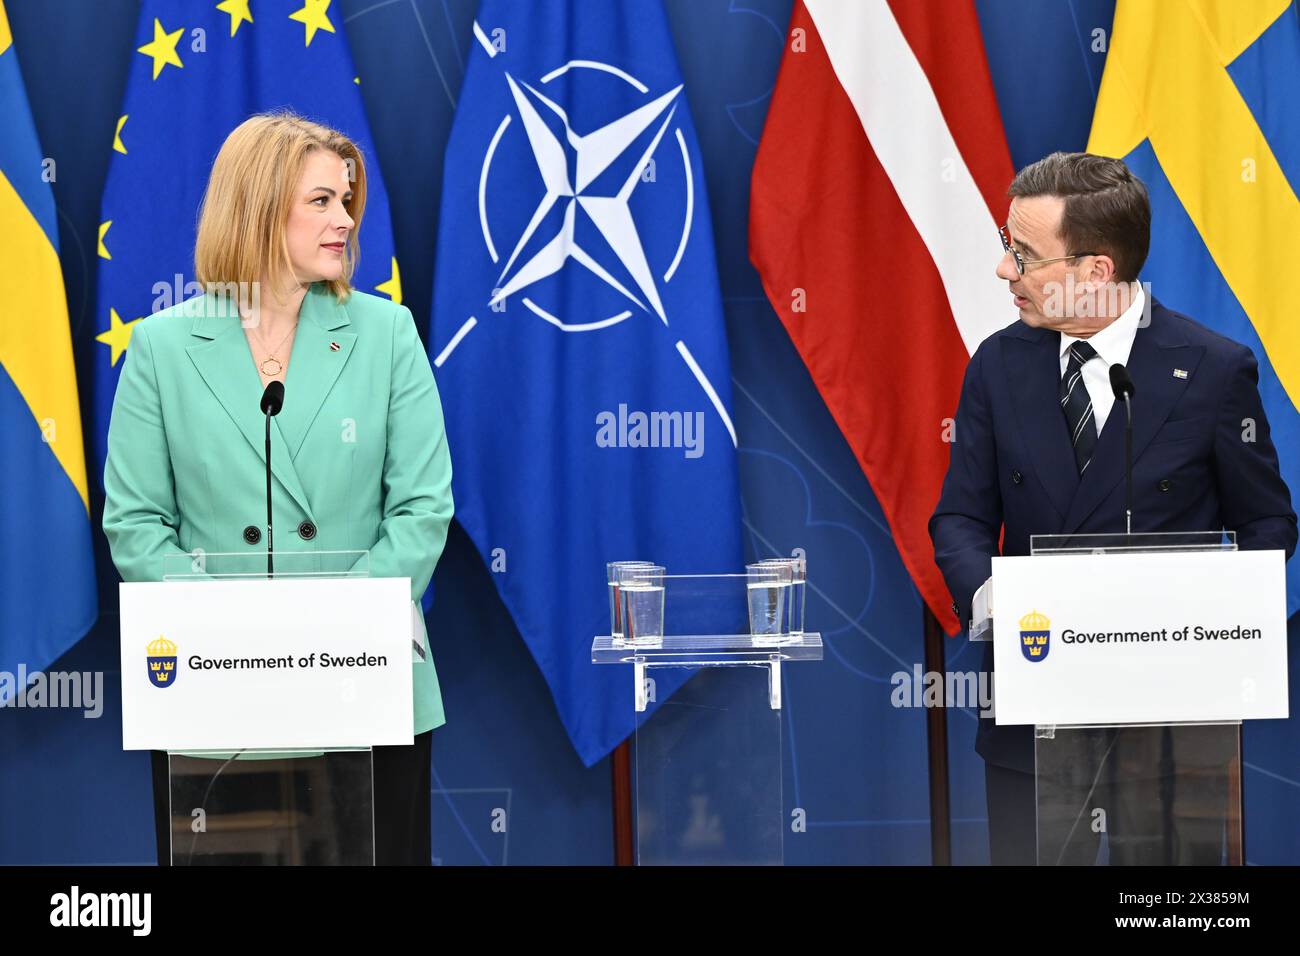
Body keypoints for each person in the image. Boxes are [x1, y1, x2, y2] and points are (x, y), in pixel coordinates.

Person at [102, 111, 454, 865]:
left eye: (347, 200)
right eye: (321, 201)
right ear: (259, 207)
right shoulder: (161, 349)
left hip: (366, 684)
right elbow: (136, 525)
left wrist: (334, 629)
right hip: (216, 690)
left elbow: (422, 509)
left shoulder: (387, 335)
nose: (345, 220)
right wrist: (243, 638)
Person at [929, 151, 1296, 865]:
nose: (1006, 272)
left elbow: (1269, 525)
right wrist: (993, 593)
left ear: (1095, 272)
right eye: (1009, 249)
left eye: (1025, 256)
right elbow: (961, 520)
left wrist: (1197, 610)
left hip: (1165, 729)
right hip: (1032, 710)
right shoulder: (998, 366)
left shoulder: (1214, 370)